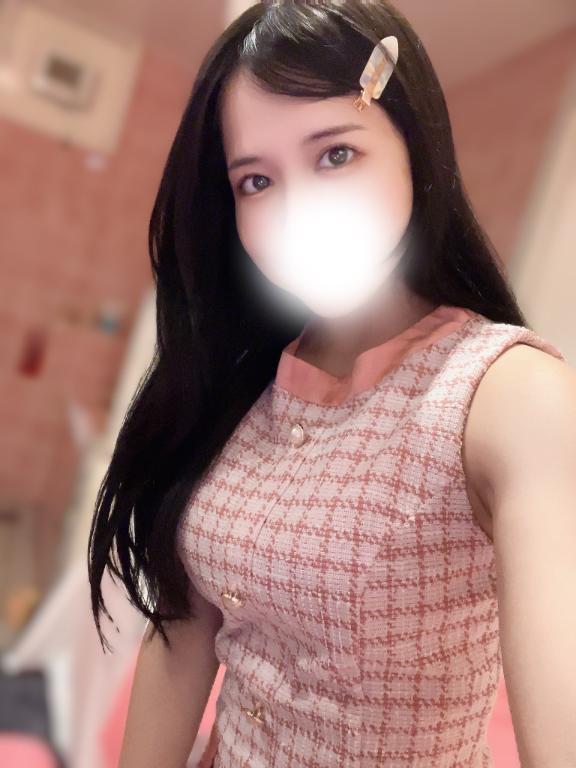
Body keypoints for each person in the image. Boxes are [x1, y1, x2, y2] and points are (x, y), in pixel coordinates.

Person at [87, 2, 576, 767]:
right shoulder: (241, 386)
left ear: (412, 145)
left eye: (336, 154)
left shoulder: (505, 394)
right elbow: (184, 632)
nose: (297, 212)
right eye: (256, 180)